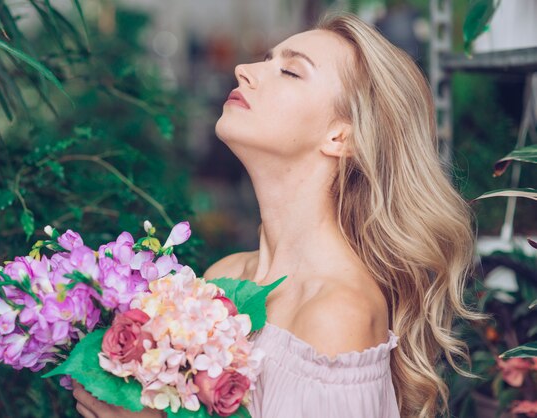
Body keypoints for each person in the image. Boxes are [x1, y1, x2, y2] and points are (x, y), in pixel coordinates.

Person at [72, 12, 483, 418]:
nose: (243, 69)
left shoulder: (337, 315)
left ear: (341, 136)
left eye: (290, 71)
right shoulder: (221, 281)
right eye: (265, 59)